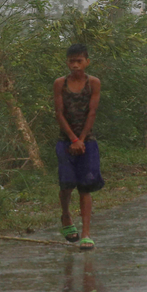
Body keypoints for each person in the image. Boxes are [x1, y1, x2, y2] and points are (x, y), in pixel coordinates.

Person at [53, 43, 103, 250]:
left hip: (87, 141)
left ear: (87, 62)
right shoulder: (59, 84)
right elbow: (59, 113)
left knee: (85, 187)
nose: (75, 65)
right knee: (66, 184)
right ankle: (65, 216)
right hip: (66, 141)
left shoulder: (93, 83)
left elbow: (92, 113)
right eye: (71, 61)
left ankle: (86, 233)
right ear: (67, 62)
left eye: (79, 61)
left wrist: (81, 139)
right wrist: (73, 139)